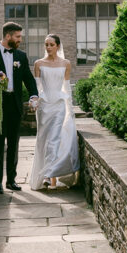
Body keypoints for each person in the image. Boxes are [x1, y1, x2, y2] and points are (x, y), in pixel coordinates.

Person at [0, 21, 39, 194]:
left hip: (15, 105)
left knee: (13, 144)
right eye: (17, 37)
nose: (20, 40)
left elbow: (29, 78)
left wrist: (34, 95)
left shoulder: (21, 56)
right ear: (8, 36)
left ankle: (11, 180)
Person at [29, 33, 79, 190]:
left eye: (51, 44)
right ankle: (46, 175)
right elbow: (37, 88)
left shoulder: (66, 63)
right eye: (46, 44)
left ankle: (48, 175)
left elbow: (67, 87)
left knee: (54, 139)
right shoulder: (38, 63)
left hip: (59, 106)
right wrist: (35, 101)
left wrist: (70, 109)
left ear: (58, 46)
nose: (48, 47)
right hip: (44, 107)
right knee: (43, 140)